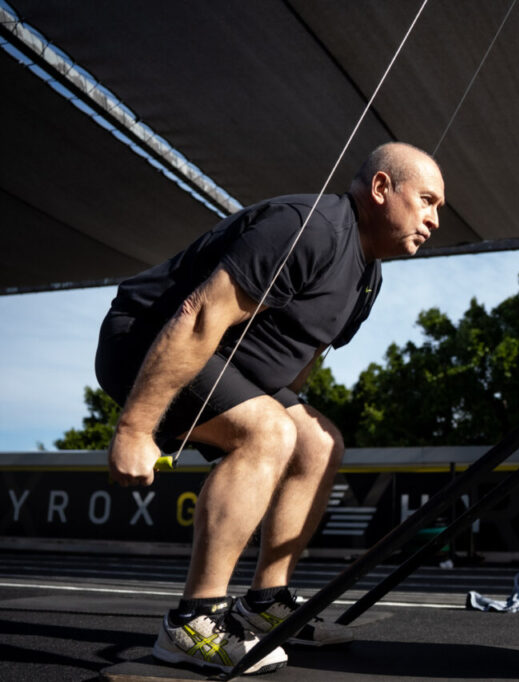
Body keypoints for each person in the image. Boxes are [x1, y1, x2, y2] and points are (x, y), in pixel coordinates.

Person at [95, 141, 445, 674]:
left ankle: (264, 603)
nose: (434, 219)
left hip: (228, 364)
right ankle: (192, 622)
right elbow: (198, 315)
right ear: (380, 189)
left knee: (320, 442)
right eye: (427, 200)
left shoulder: (367, 280)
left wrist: (282, 429)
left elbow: (302, 361)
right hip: (144, 341)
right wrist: (136, 429)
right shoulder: (311, 229)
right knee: (269, 433)